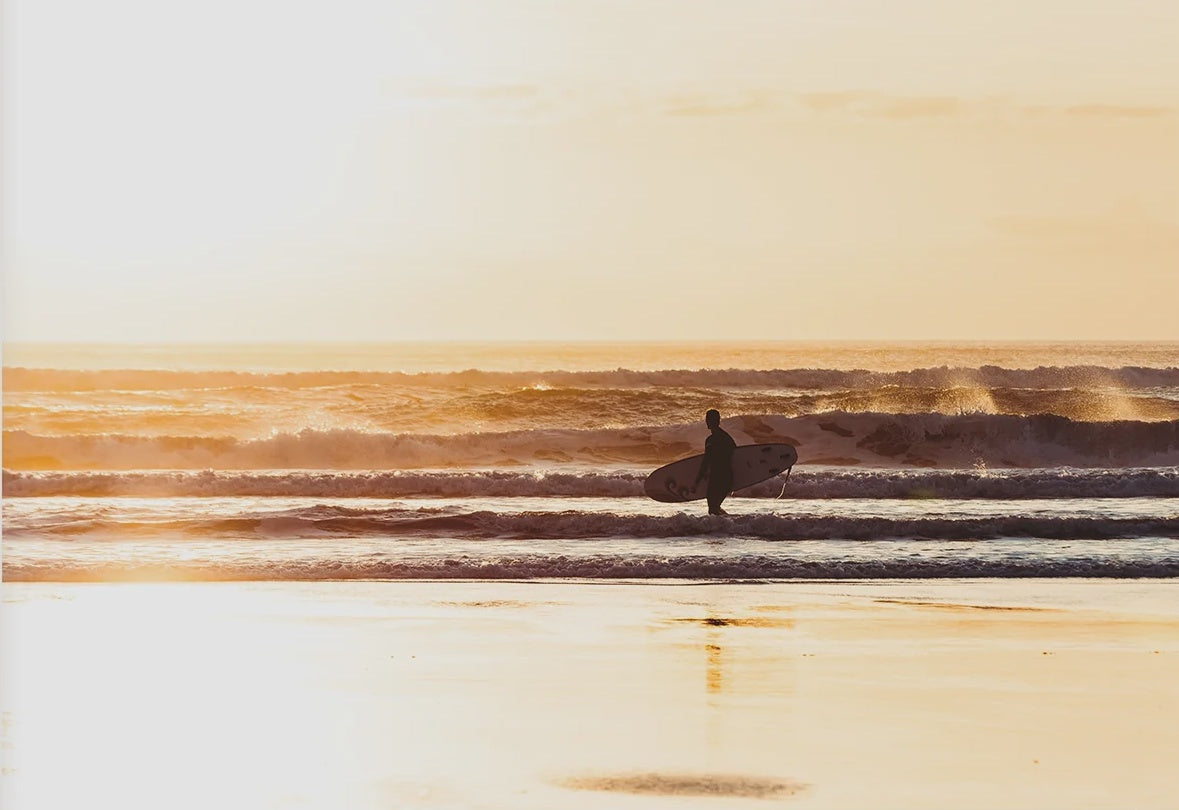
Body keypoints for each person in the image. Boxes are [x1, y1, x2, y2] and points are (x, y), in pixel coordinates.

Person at [694, 408, 736, 515]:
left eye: (709, 419)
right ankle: (727, 523)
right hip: (716, 477)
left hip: (723, 477)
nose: (707, 421)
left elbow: (707, 461)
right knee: (713, 508)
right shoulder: (714, 439)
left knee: (713, 508)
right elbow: (708, 461)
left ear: (716, 421)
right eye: (707, 419)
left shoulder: (721, 438)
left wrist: (698, 480)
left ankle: (727, 524)